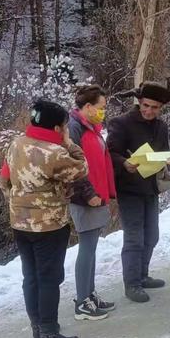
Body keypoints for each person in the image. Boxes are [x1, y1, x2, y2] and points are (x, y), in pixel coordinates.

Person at [0, 100, 88, 338]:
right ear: (58, 127)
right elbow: (82, 169)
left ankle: (38, 327)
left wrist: (20, 204)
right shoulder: (54, 152)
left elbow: (4, 181)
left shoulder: (16, 144)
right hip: (49, 226)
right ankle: (50, 333)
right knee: (49, 278)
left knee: (31, 275)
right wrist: (70, 143)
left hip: (20, 223)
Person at [107, 77, 170, 303]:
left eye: (154, 108)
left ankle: (143, 275)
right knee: (134, 238)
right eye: (145, 105)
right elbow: (110, 154)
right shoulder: (121, 123)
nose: (149, 111)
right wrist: (123, 163)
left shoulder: (161, 126)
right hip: (129, 189)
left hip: (150, 187)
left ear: (161, 108)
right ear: (139, 102)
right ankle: (132, 283)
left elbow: (164, 152)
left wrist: (166, 162)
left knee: (152, 235)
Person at [69, 85, 117, 320]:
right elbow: (73, 166)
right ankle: (82, 302)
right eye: (101, 107)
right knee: (87, 248)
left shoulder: (91, 127)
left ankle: (89, 294)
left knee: (92, 247)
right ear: (87, 107)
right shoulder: (74, 128)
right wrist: (88, 193)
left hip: (96, 195)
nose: (103, 111)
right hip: (84, 198)